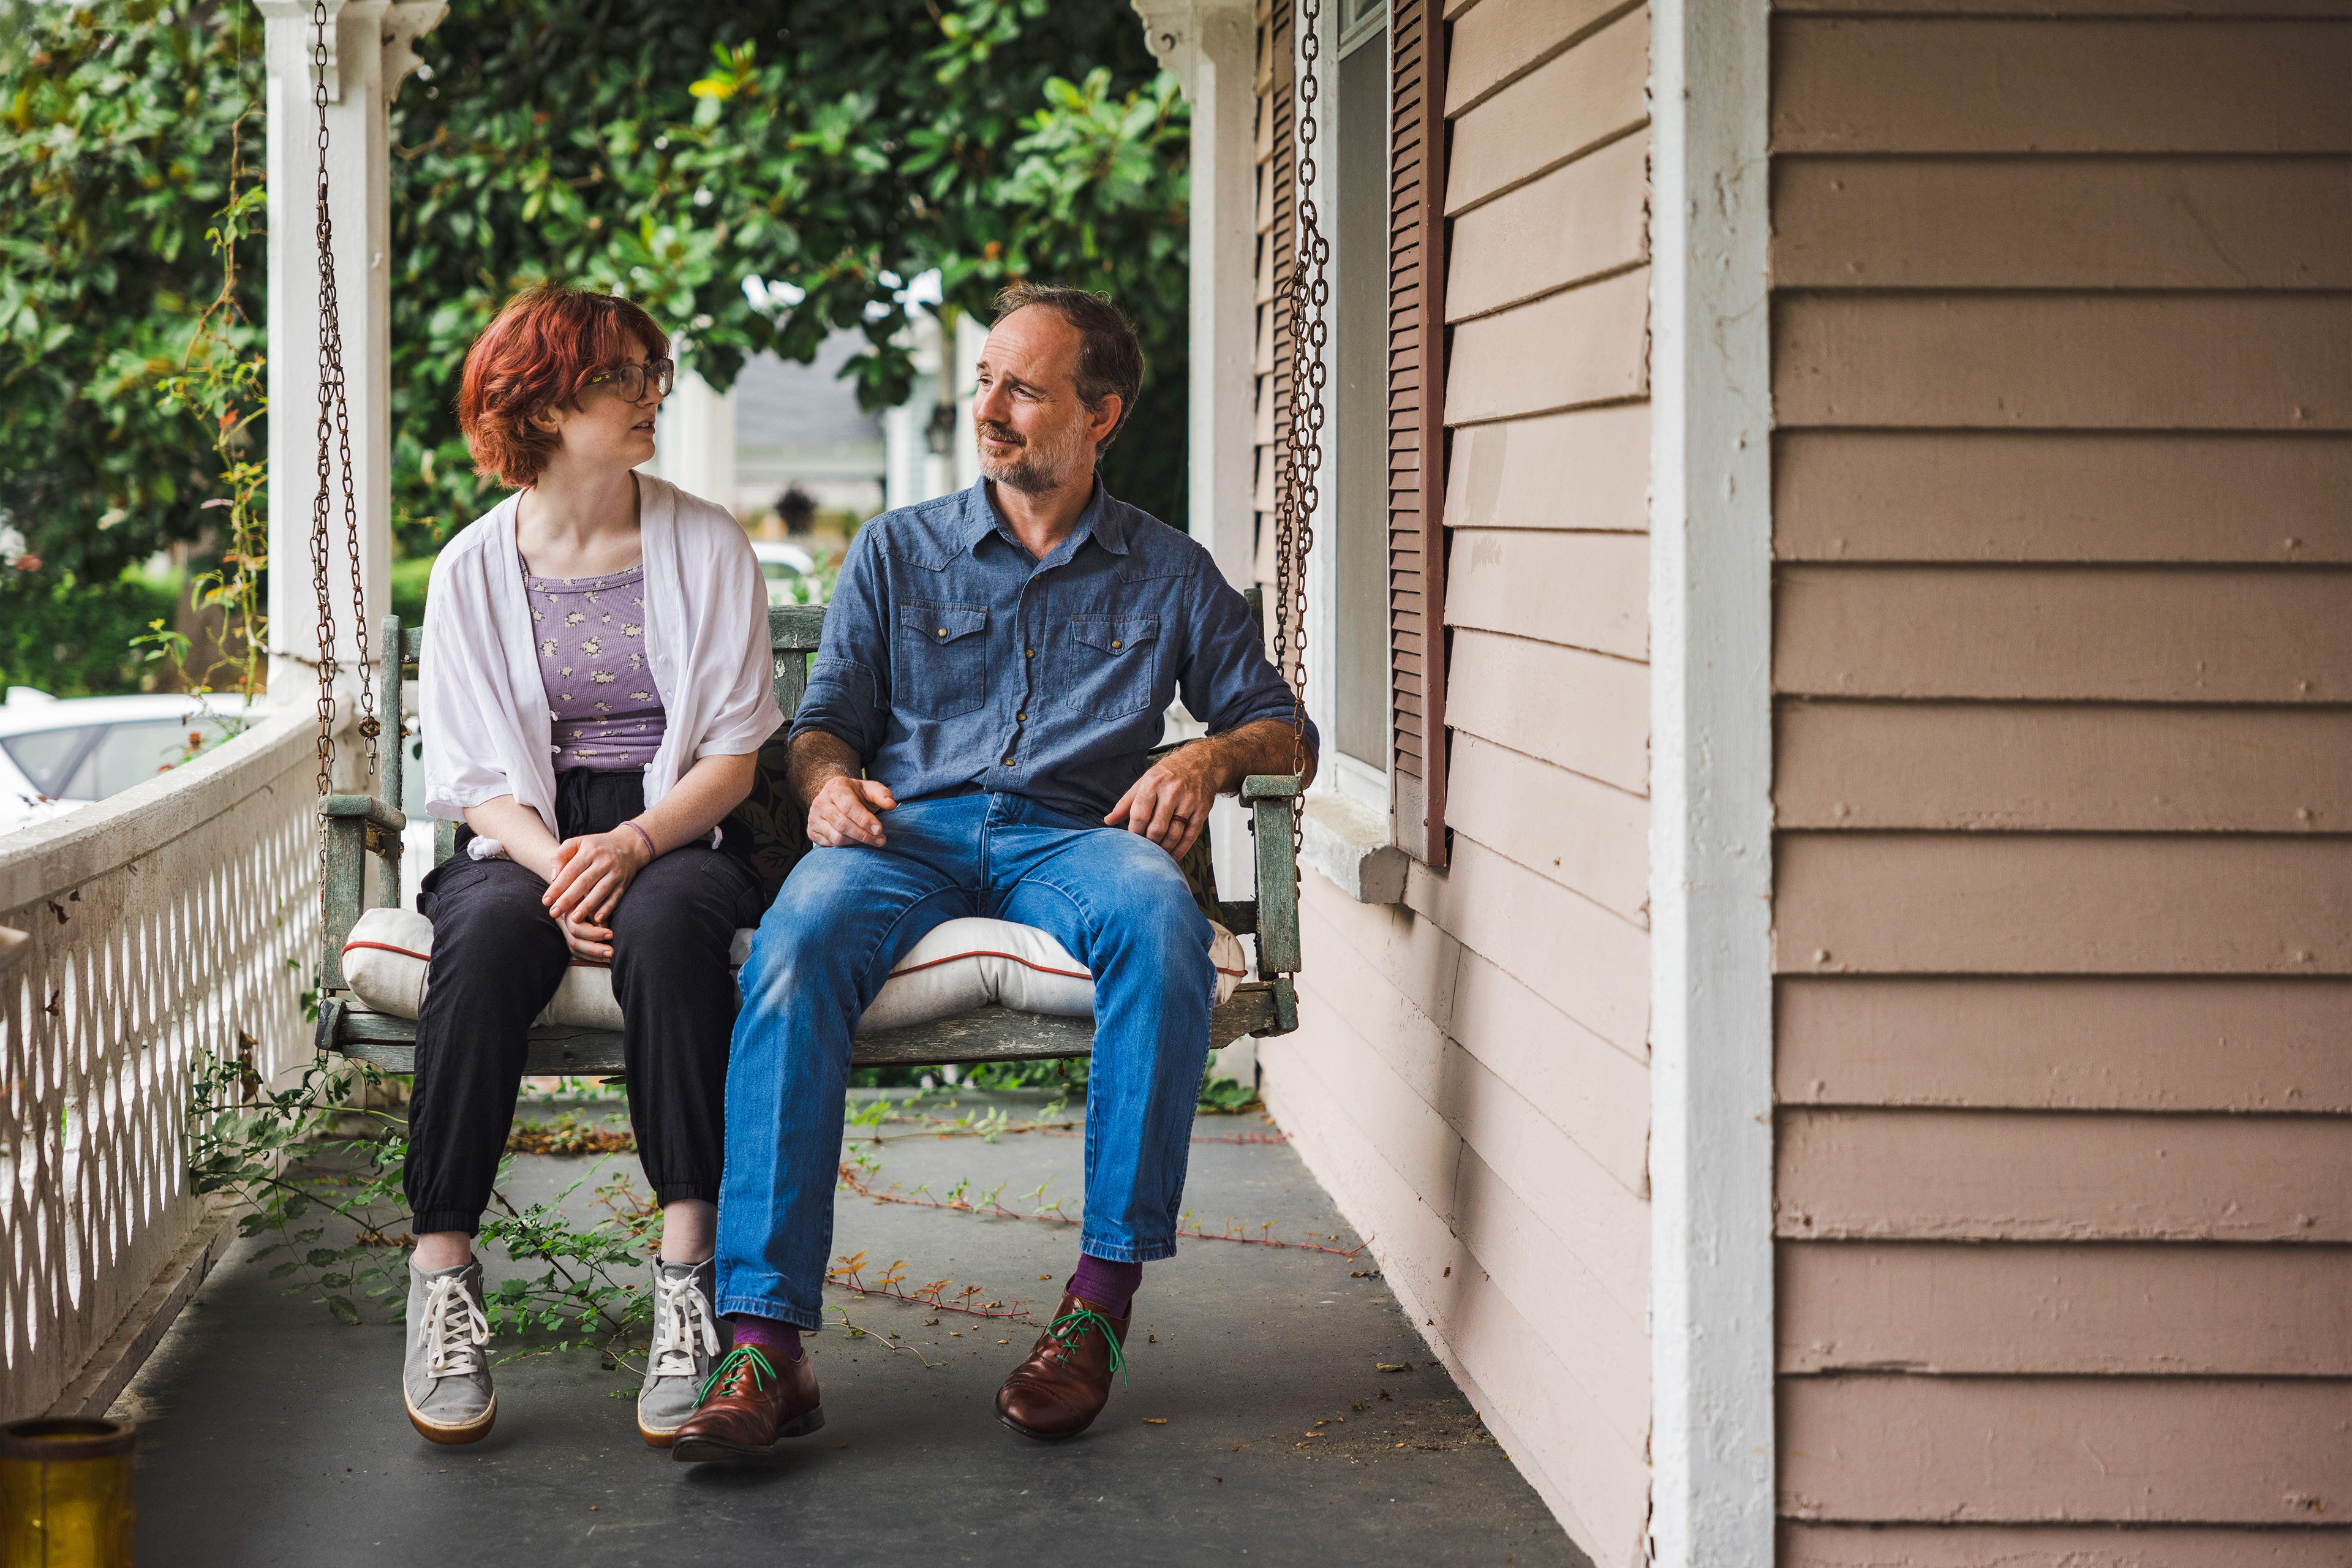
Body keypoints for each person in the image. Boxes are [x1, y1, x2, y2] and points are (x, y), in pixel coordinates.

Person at [671, 284, 1317, 1462]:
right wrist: (823, 784)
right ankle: (765, 1344)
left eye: (1024, 388)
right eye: (985, 382)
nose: (992, 410)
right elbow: (824, 723)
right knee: (794, 942)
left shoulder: (1170, 572)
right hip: (903, 836)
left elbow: (1287, 729)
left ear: (1100, 415)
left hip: (1075, 839)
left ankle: (1097, 1312)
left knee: (1164, 925)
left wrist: (1213, 755)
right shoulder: (897, 551)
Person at [405, 285, 782, 1447]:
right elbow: (476, 776)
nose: (651, 394)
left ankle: (687, 1281)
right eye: (625, 377)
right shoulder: (470, 569)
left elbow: (732, 756)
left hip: (676, 826)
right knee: (481, 940)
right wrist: (558, 865)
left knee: (671, 934)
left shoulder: (704, 540)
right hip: (523, 833)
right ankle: (441, 1277)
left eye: (652, 372)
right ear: (548, 402)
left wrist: (629, 844)